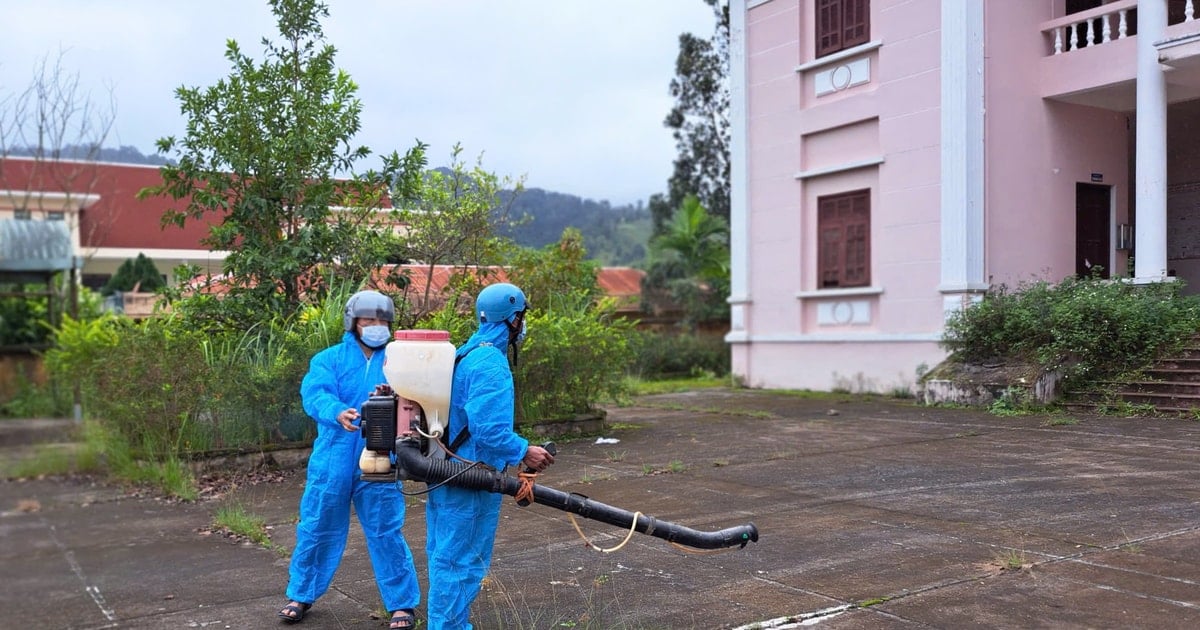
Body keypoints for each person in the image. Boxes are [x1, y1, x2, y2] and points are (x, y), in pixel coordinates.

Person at [278, 290, 421, 629]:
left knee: (386, 529)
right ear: (353, 322)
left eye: (382, 320)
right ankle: (301, 594)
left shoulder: (398, 361)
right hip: (333, 458)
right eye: (369, 320)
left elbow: (417, 398)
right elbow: (316, 394)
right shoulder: (328, 359)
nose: (376, 326)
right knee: (316, 526)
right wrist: (336, 412)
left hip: (381, 455)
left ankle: (402, 604)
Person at [424, 282, 555, 629]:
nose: (523, 324)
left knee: (444, 557)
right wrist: (525, 451)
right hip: (471, 477)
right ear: (513, 319)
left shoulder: (466, 352)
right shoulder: (491, 364)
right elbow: (489, 431)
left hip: (444, 472)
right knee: (461, 562)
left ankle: (446, 624)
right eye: (522, 317)